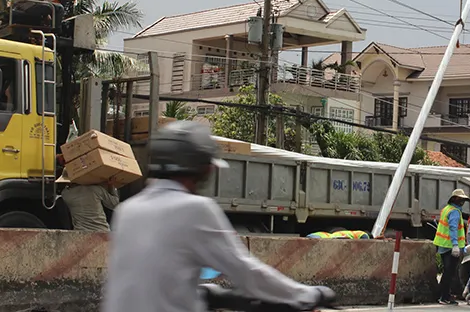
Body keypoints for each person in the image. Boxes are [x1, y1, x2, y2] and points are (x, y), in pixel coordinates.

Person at [101, 121, 334, 312]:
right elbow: (247, 272)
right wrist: (308, 294)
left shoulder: (127, 210)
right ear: (202, 169)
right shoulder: (194, 209)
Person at [432, 188, 469, 305]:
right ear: (455, 199)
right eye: (461, 199)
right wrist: (455, 245)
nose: (462, 201)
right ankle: (444, 297)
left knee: (447, 272)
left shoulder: (446, 209)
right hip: (450, 247)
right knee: (449, 273)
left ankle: (444, 295)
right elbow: (453, 228)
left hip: (443, 245)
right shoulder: (455, 212)